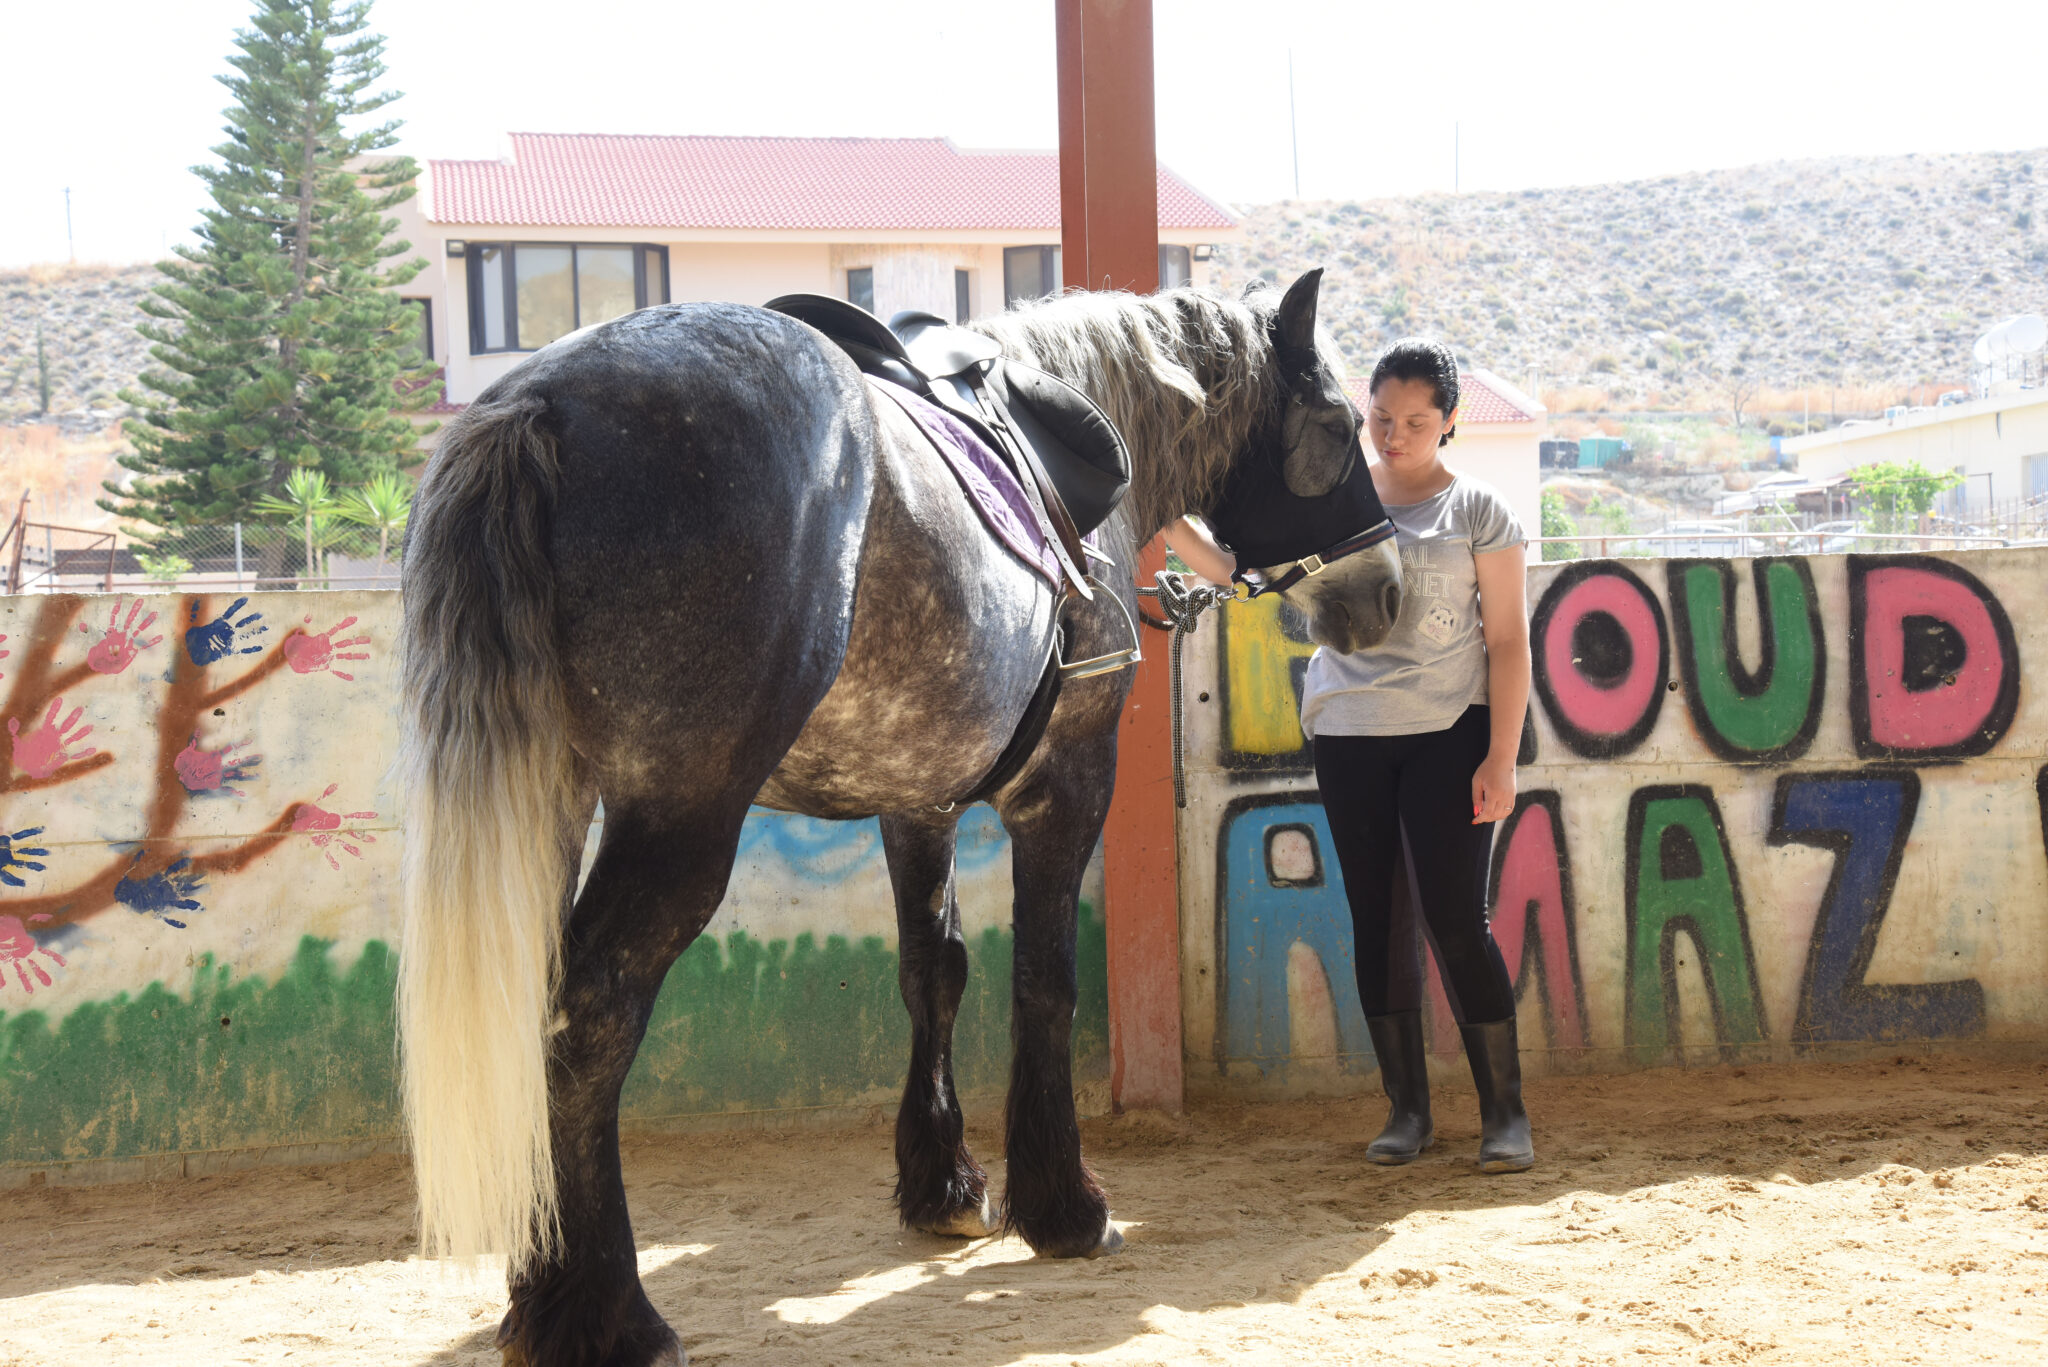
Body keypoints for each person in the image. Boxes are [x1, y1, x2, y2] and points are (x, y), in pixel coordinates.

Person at [1166, 337, 1534, 1173]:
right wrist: (1159, 516)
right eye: (1380, 417)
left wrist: (1501, 758)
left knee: (1455, 920)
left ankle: (1505, 1114)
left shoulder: (1478, 510)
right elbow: (1235, 572)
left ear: (1448, 423)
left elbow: (1508, 641)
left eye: (1415, 421)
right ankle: (1407, 1111)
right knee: (1379, 919)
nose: (1394, 434)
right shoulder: (1336, 497)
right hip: (1348, 734)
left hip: (1452, 733)